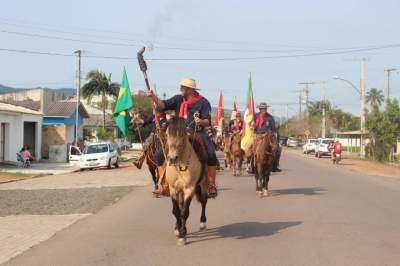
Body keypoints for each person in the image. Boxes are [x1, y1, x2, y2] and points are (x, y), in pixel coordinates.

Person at [147, 77, 218, 198]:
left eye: (183, 87)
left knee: (211, 154)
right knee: (159, 154)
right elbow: (162, 105)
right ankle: (163, 185)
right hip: (177, 133)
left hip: (196, 132)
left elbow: (207, 121)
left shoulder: (203, 102)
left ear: (190, 89)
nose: (180, 89)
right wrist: (153, 97)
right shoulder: (178, 99)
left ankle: (211, 184)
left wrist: (200, 121)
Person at [252, 102, 281, 172]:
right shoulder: (255, 116)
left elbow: (273, 128)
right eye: (262, 108)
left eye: (265, 108)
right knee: (248, 147)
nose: (263, 110)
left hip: (267, 136)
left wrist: (274, 134)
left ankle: (275, 165)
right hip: (257, 135)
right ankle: (250, 164)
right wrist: (252, 124)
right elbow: (251, 123)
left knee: (279, 148)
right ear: (259, 109)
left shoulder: (270, 117)